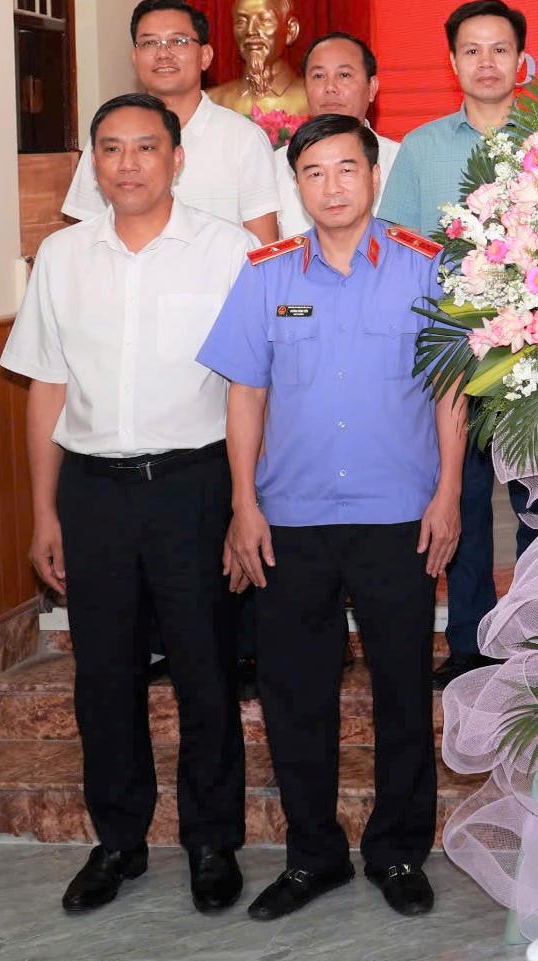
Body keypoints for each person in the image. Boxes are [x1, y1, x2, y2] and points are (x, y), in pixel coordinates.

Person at [198, 115, 465, 922]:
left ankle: (398, 851)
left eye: (347, 168)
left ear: (374, 175)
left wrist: (449, 493)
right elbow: (245, 395)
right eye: (313, 172)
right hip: (292, 519)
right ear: (297, 185)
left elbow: (452, 390)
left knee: (402, 691)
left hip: (399, 515)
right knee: (295, 696)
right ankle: (313, 854)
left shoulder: (427, 265)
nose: (332, 186)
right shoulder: (267, 273)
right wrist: (243, 504)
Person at [1, 93, 255, 917]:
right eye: (110, 148)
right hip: (93, 492)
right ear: (93, 163)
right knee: (103, 676)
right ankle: (118, 840)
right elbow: (46, 387)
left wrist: (246, 502)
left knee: (205, 670)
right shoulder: (63, 256)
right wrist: (44, 511)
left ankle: (212, 840)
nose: (129, 163)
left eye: (146, 146)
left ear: (177, 157)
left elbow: (251, 388)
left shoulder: (228, 250)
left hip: (194, 486)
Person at [375, 0, 538, 687]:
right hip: (455, 355)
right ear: (452, 62)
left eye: (499, 49)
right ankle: (470, 640)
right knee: (462, 502)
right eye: (472, 50)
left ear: (522, 60)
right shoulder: (421, 148)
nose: (486, 62)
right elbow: (399, 247)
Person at [62, 0, 281, 245]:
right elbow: (84, 239)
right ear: (135, 57)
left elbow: (263, 248)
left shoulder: (243, 137)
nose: (163, 54)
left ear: (205, 56)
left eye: (178, 41)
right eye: (149, 43)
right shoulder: (110, 135)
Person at [276, 32, 401, 234]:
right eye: (319, 76)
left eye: (344, 75)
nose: (330, 88)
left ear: (371, 88)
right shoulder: (275, 166)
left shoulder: (402, 161)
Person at [205, 0, 311, 119]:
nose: (250, 31)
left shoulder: (313, 97)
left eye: (264, 20)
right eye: (241, 22)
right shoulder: (212, 101)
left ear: (291, 31)